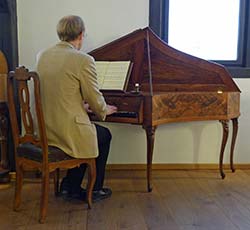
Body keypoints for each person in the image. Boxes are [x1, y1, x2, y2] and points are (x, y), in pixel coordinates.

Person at [36, 15, 117, 202]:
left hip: (44, 128)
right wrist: (103, 110)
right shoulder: (83, 59)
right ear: (81, 35)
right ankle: (94, 189)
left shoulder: (43, 55)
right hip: (65, 131)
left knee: (89, 132)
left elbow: (57, 90)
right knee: (103, 135)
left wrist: (79, 106)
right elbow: (94, 96)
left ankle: (69, 185)